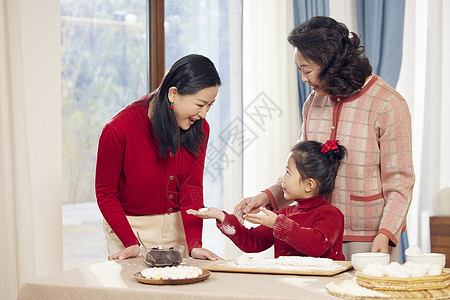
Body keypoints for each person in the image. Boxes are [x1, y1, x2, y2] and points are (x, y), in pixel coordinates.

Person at [234, 16, 415, 261]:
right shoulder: (313, 103)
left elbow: (400, 181)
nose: (303, 79)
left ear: (330, 63)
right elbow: (302, 166)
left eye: (306, 69)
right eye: (299, 70)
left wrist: (385, 233)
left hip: (368, 240)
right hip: (310, 236)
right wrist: (267, 197)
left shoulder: (388, 104)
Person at [95, 54, 223, 261]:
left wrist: (194, 244)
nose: (204, 114)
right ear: (173, 93)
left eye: (210, 105)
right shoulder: (118, 130)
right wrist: (130, 242)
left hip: (178, 226)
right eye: (200, 105)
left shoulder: (199, 128)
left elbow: (192, 187)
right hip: (129, 230)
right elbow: (105, 194)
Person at [188, 140, 347, 260]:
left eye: (288, 172)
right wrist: (222, 217)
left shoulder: (331, 215)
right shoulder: (284, 214)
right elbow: (252, 242)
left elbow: (317, 246)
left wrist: (277, 223)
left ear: (308, 184)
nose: (282, 179)